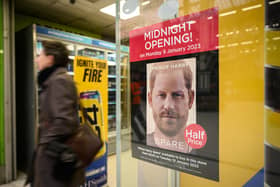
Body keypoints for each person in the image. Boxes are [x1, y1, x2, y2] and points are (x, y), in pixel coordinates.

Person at [28, 41, 85, 187]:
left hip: (55, 159)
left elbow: (65, 121)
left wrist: (44, 142)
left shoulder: (59, 81)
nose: (37, 59)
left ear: (50, 58)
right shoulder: (53, 80)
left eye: (40, 55)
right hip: (53, 157)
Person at [147, 61, 195, 153]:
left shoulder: (203, 153)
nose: (168, 106)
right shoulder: (142, 145)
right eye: (161, 95)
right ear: (150, 100)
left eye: (177, 95)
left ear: (191, 99)